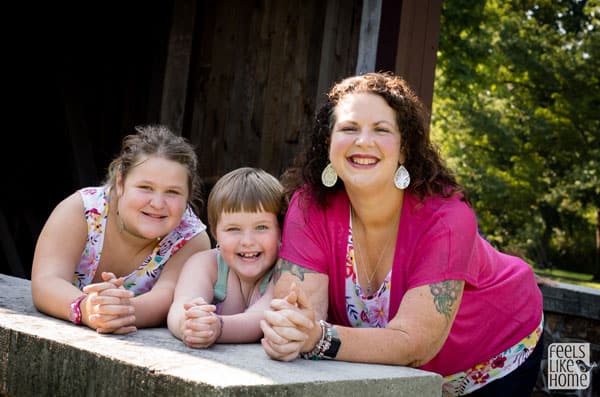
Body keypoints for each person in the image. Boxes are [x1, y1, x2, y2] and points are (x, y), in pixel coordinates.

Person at [259, 72, 544, 397]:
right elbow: (300, 313)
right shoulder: (310, 206)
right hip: (392, 373)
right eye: (349, 128)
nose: (363, 141)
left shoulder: (447, 217)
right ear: (328, 144)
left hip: (493, 352)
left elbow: (413, 344)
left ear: (404, 148)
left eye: (381, 130)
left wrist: (318, 338)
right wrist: (290, 331)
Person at [31, 125, 211, 334]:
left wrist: (118, 312)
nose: (158, 203)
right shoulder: (81, 210)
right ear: (121, 183)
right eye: (145, 187)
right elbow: (47, 280)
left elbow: (166, 296)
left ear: (188, 196)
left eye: (173, 192)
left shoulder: (191, 239)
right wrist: (87, 309)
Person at [168, 167, 284, 348]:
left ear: (281, 231)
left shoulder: (284, 271)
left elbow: (262, 318)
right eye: (233, 229)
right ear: (216, 233)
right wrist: (189, 324)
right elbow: (181, 306)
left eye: (261, 227)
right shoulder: (205, 264)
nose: (247, 241)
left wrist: (218, 328)